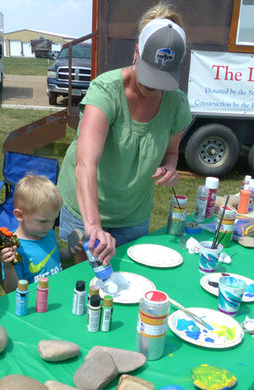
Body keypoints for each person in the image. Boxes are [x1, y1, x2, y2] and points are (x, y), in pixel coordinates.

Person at [56, 2, 192, 265]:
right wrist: (93, 226)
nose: (154, 87)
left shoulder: (176, 103)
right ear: (136, 52)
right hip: (86, 207)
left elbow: (171, 152)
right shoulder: (105, 91)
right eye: (149, 73)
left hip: (132, 215)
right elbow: (86, 162)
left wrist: (170, 168)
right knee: (82, 283)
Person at [0, 175, 82, 292]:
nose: (50, 226)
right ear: (20, 215)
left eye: (54, 219)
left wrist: (70, 251)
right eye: (43, 221)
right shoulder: (14, 248)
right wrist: (8, 267)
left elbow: (54, 257)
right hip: (37, 303)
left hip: (59, 292)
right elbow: (11, 290)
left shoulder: (47, 233)